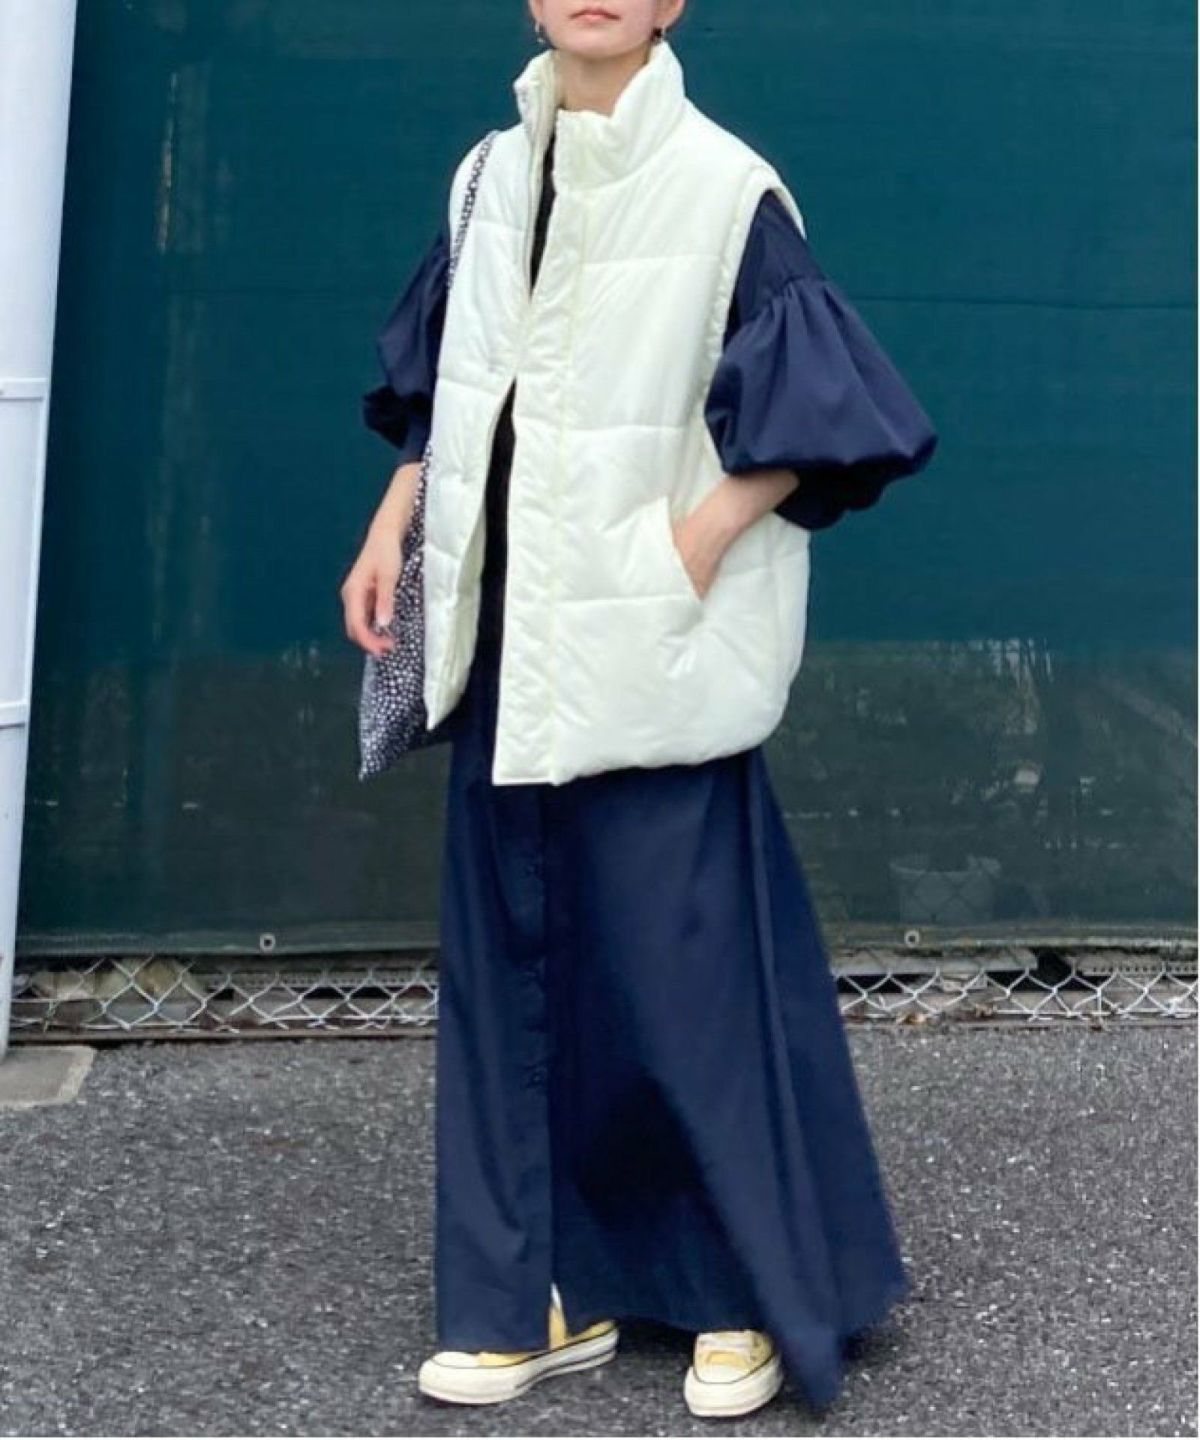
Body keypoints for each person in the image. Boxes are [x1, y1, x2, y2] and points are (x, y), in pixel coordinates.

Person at [342, 0, 937, 1420]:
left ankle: (738, 1292)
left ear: (674, 2)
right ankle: (530, 1298)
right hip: (503, 637)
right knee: (512, 971)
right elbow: (454, 384)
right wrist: (396, 514)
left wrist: (695, 541)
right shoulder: (489, 176)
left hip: (651, 640)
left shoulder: (727, 189)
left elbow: (838, 417)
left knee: (687, 979)